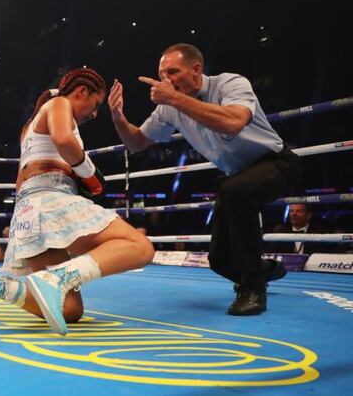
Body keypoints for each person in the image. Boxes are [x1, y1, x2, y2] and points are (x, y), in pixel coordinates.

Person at [108, 43, 301, 316]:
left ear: (196, 69)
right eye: (162, 75)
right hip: (237, 178)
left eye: (173, 72)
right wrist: (118, 118)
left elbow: (234, 122)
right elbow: (137, 142)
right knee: (219, 261)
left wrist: (174, 99)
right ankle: (262, 269)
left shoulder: (229, 84)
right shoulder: (168, 107)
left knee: (234, 190)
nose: (167, 81)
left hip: (278, 163)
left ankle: (252, 288)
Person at [0, 68, 154, 335]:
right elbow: (64, 140)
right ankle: (56, 277)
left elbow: (23, 179)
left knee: (70, 310)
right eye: (96, 104)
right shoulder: (59, 103)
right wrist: (90, 174)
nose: (94, 113)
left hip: (28, 210)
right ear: (81, 91)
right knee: (139, 246)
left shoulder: (28, 127)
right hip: (51, 198)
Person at [269, 204, 335, 254]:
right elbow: (271, 252)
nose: (294, 214)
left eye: (299, 211)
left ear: (308, 216)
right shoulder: (280, 230)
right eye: (291, 211)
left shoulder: (319, 232)